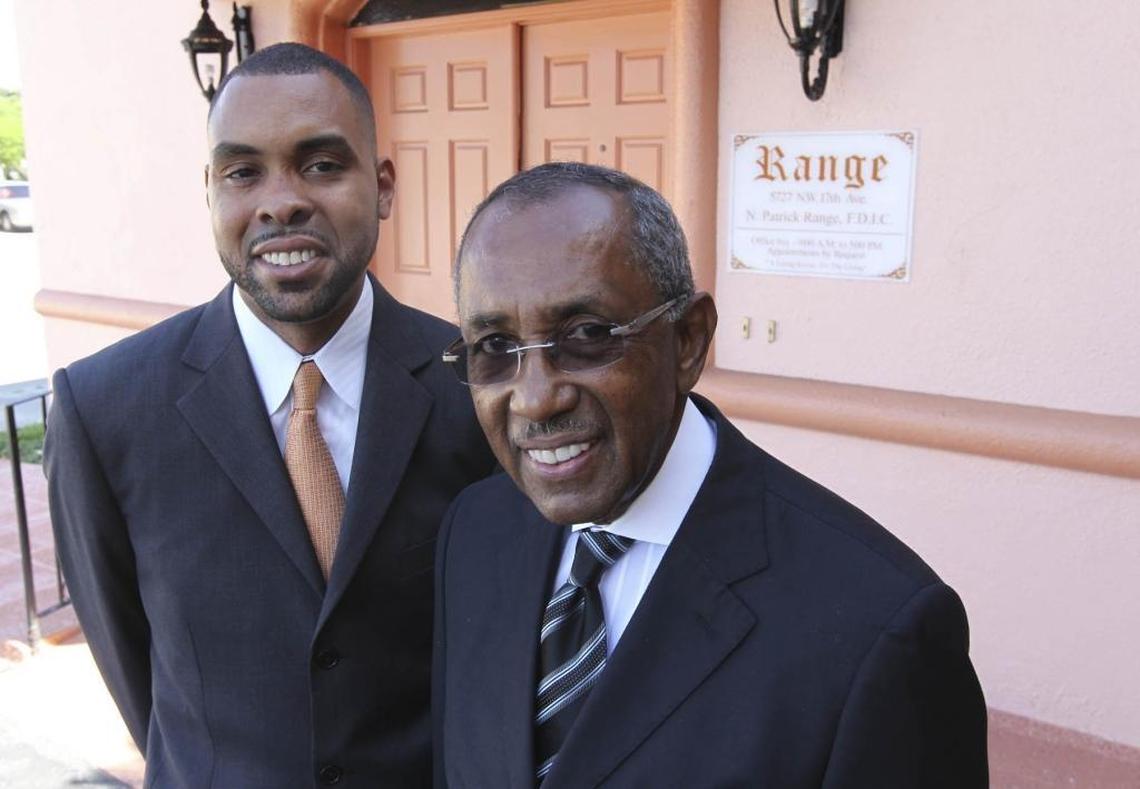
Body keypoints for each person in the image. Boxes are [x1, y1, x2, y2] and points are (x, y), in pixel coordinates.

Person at [433, 162, 989, 787]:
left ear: (689, 341)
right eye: (494, 348)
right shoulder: (474, 531)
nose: (534, 400)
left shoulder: (879, 629)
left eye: (587, 334)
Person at [45, 43, 494, 787]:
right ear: (212, 192)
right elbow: (134, 668)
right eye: (243, 171)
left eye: (321, 164)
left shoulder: (477, 385)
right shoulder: (104, 409)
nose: (280, 200)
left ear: (383, 186)